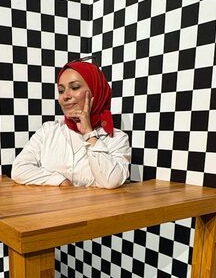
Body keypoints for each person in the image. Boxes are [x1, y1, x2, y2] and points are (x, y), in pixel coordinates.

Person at [11, 60, 131, 188]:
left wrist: (89, 134)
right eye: (61, 90)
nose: (65, 96)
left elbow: (111, 181)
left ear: (96, 91)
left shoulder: (116, 138)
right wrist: (59, 181)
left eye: (75, 87)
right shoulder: (48, 131)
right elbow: (19, 169)